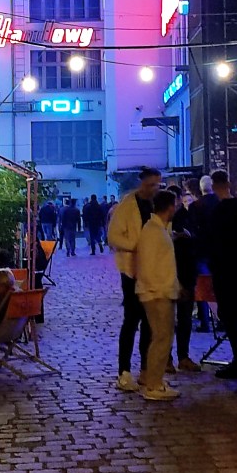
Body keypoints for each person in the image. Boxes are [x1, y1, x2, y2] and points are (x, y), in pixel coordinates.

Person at [108, 167, 161, 391]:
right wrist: (137, 246)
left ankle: (146, 370)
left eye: (157, 184)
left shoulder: (156, 204)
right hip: (132, 271)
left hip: (152, 271)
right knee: (131, 320)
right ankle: (124, 371)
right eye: (150, 184)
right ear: (142, 183)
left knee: (149, 321)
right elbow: (113, 236)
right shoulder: (128, 205)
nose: (154, 189)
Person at [135, 190, 181, 400]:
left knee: (162, 338)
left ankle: (155, 380)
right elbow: (148, 265)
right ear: (170, 207)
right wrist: (158, 289)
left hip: (159, 290)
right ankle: (153, 384)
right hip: (158, 293)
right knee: (161, 338)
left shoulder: (156, 229)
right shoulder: (153, 231)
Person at [207, 170, 237, 380]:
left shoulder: (219, 211)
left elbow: (212, 242)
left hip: (223, 270)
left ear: (214, 186)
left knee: (230, 314)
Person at [166, 184, 201, 373]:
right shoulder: (161, 220)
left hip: (186, 273)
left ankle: (183, 356)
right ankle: (167, 358)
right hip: (168, 275)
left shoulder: (187, 216)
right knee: (167, 320)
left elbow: (197, 238)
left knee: (185, 318)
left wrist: (187, 236)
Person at [192, 175, 218, 332]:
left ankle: (205, 321)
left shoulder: (196, 206)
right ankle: (222, 320)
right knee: (218, 287)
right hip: (218, 252)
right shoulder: (220, 203)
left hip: (202, 251)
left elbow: (194, 229)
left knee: (202, 286)